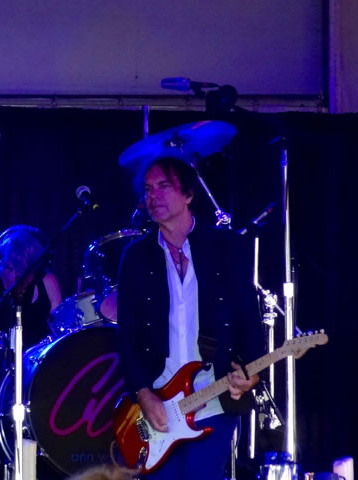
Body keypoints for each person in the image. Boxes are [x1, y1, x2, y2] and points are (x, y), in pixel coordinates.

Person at [116, 156, 264, 480]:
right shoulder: (137, 257)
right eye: (147, 189)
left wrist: (252, 373)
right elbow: (126, 336)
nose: (153, 195)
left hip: (214, 399)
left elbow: (248, 318)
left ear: (188, 194)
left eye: (163, 186)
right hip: (159, 403)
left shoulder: (225, 247)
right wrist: (143, 393)